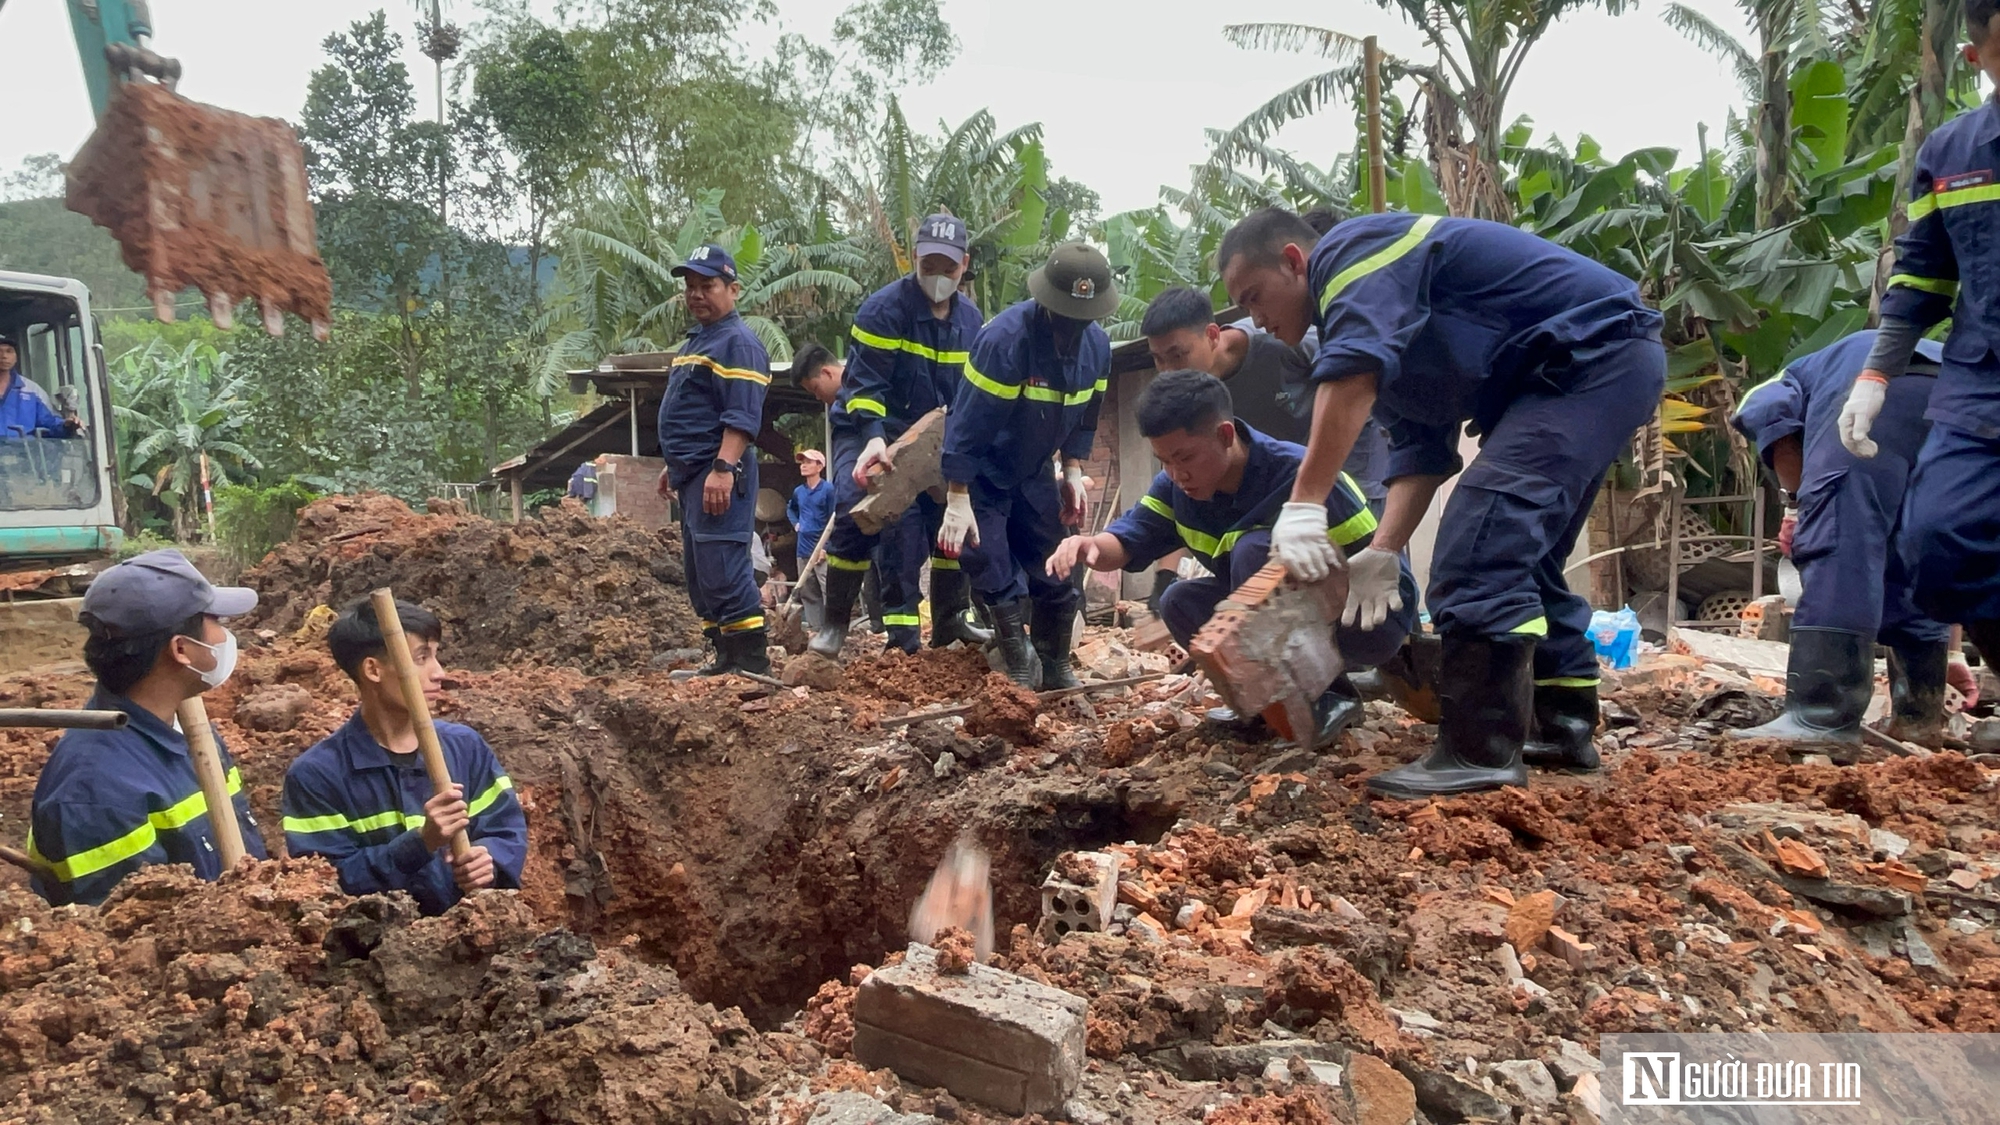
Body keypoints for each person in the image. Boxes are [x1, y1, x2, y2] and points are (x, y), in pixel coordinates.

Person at [1221, 207, 1664, 798]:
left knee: (1480, 538)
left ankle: (1479, 749)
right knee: (1522, 559)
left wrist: (1304, 506)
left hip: (1589, 357)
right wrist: (1383, 549)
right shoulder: (1386, 322)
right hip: (1585, 371)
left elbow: (1351, 373)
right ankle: (1562, 725)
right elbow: (1421, 450)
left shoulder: (1352, 251)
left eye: (1255, 295)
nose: (1255, 319)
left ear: (1295, 261)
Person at [1046, 370, 1416, 745]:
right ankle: (1264, 706)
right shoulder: (1177, 490)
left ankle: (1328, 697)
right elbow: (1129, 538)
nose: (1176, 474)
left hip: (1366, 618)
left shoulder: (1303, 474)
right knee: (1179, 601)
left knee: (1253, 550)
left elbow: (1380, 566)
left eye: (1185, 457)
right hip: (1287, 625)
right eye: (1164, 462)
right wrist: (1087, 546)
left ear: (1224, 435)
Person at [1838, 0, 2000, 673]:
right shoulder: (1952, 153)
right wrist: (1875, 377)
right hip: (1981, 385)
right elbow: (1921, 279)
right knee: (1936, 545)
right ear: (1978, 58)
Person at [1731, 332, 1952, 748]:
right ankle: (1919, 717)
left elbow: (1772, 415)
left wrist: (1796, 507)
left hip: (1872, 395)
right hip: (1959, 400)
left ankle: (1820, 717)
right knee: (1917, 559)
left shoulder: (1786, 380)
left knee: (1840, 546)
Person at [26, 550, 268, 906]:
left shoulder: (189, 728)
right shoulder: (96, 791)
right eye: (215, 620)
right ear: (181, 649)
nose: (226, 634)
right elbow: (138, 936)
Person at [810, 214, 992, 658]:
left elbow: (972, 392)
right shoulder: (883, 309)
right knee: (861, 509)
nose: (937, 277)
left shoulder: (971, 322)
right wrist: (874, 438)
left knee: (953, 515)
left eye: (947, 268)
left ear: (964, 265)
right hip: (871, 426)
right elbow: (865, 385)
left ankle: (950, 618)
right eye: (928, 265)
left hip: (937, 433)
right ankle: (838, 625)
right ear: (914, 258)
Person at [939, 243, 1116, 688]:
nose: (1074, 326)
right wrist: (957, 495)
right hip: (983, 472)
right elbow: (968, 422)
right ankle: (1019, 662)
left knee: (1054, 561)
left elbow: (1085, 414)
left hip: (1036, 470)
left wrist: (1073, 469)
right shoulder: (1005, 340)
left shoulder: (1097, 348)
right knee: (991, 560)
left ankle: (1056, 664)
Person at [281, 598, 526, 916]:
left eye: (436, 656)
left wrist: (489, 858)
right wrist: (421, 843)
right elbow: (327, 886)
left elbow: (507, 829)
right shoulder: (317, 776)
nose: (439, 673)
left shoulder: (465, 748)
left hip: (472, 946)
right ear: (373, 669)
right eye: (422, 658)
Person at [654, 244, 773, 676]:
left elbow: (741, 416)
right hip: (694, 474)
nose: (696, 294)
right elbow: (694, 412)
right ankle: (724, 660)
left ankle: (752, 666)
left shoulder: (738, 343)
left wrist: (723, 468)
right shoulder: (700, 341)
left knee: (723, 567)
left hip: (718, 472)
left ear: (733, 289)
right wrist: (677, 464)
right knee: (701, 575)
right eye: (690, 287)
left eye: (707, 285)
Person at [788, 448, 836, 630]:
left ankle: (831, 629)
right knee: (808, 591)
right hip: (803, 549)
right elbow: (790, 508)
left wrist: (827, 547)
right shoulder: (799, 491)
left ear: (820, 466)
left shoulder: (828, 490)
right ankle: (816, 629)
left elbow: (835, 519)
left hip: (822, 548)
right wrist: (795, 523)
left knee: (828, 590)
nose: (804, 466)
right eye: (802, 462)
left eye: (808, 462)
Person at [0, 334, 76, 440]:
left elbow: (50, 423)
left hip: (24, 454)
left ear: (15, 357)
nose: (4, 356)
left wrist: (67, 425)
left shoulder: (31, 390)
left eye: (9, 351)